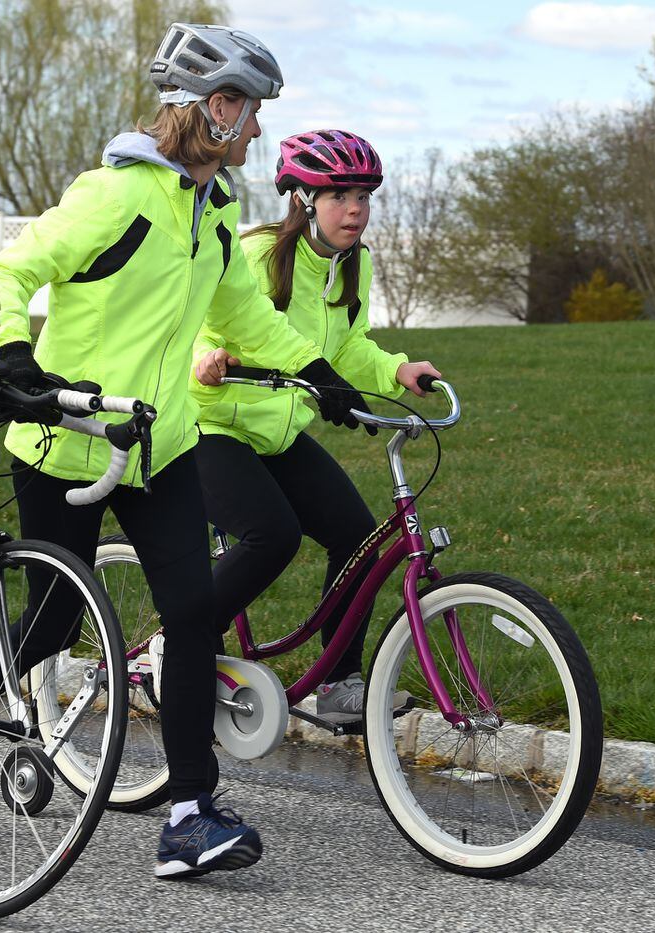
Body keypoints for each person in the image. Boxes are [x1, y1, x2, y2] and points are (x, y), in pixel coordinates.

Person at [0, 24, 369, 879]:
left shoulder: (213, 210)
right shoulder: (115, 198)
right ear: (217, 110)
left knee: (191, 614)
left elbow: (241, 316)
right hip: (66, 441)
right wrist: (12, 351)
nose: (258, 130)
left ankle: (189, 812)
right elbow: (5, 274)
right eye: (251, 111)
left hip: (160, 445)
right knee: (54, 621)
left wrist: (316, 370)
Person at [191, 130, 442, 724]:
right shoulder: (254, 256)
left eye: (363, 196)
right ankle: (186, 643)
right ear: (302, 201)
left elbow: (348, 346)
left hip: (276, 433)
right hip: (209, 423)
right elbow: (201, 316)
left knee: (356, 535)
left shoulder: (356, 267)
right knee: (270, 535)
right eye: (338, 196)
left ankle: (335, 682)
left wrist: (396, 369)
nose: (355, 209)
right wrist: (208, 355)